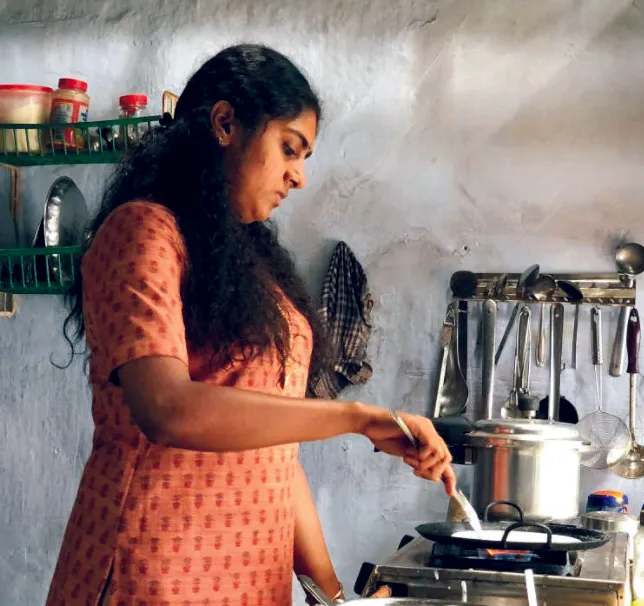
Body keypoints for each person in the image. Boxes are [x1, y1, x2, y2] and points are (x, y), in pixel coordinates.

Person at [46, 43, 456, 605]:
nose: (299, 177)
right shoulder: (143, 231)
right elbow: (167, 409)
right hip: (155, 574)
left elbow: (277, 458)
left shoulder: (253, 268)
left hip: (251, 583)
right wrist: (357, 418)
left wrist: (333, 596)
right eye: (289, 148)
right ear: (224, 124)